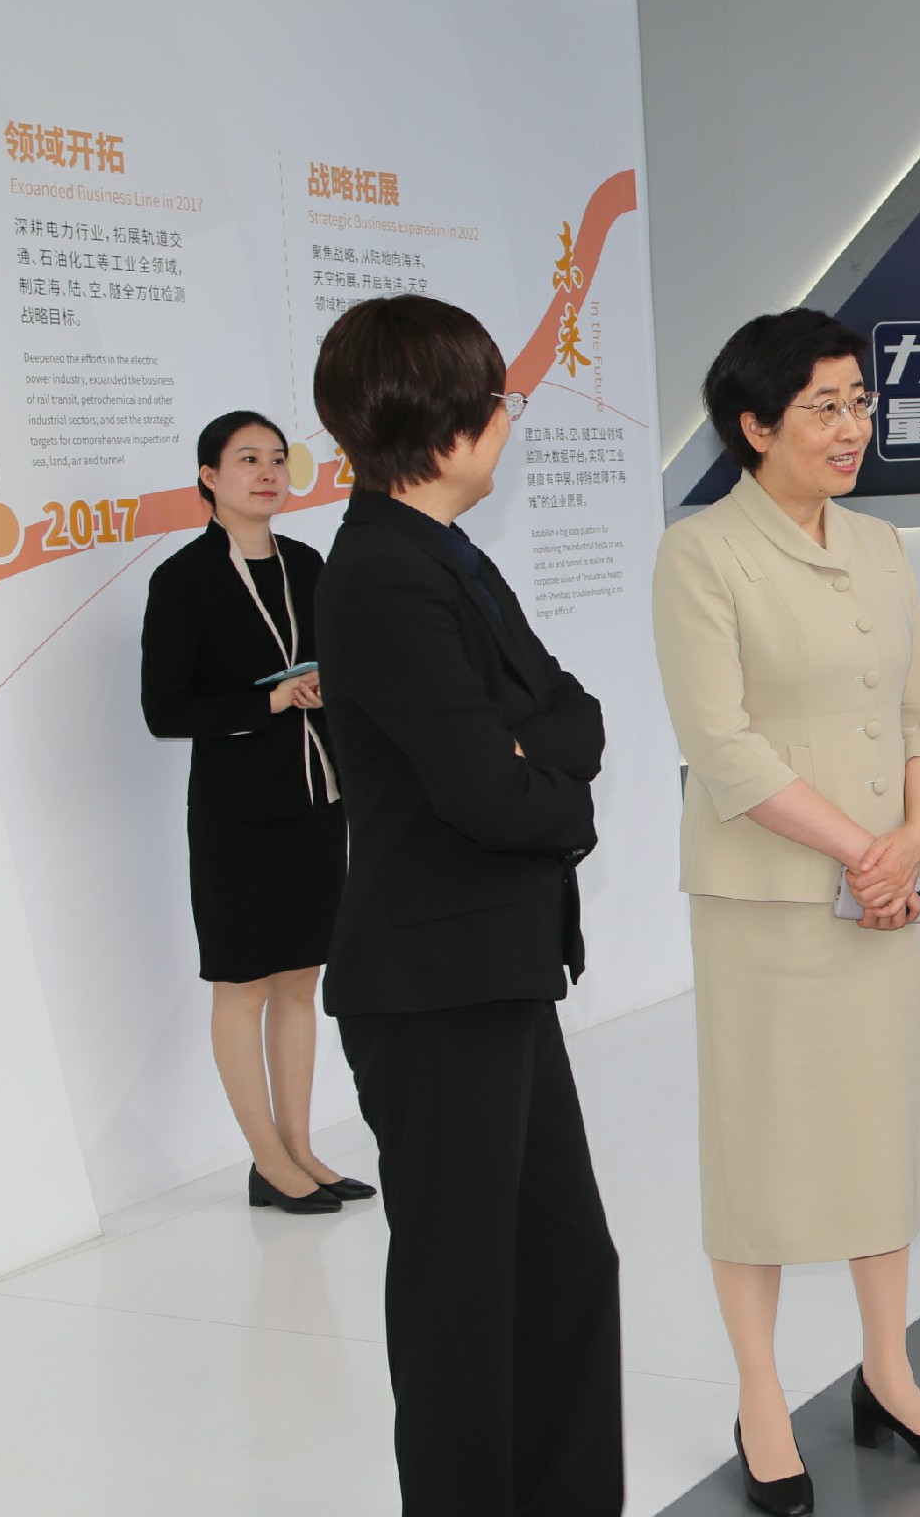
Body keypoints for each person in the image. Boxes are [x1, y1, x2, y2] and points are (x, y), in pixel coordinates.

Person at [653, 308, 920, 1517]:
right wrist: (862, 851)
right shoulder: (700, 555)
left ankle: (888, 1373)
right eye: (824, 408)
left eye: (859, 402)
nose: (853, 427)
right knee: (763, 1149)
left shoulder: (882, 543)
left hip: (880, 891)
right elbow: (722, 746)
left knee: (876, 1136)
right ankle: (760, 1396)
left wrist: (913, 835)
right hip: (769, 901)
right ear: (755, 426)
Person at [313, 295, 622, 1517]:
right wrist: (544, 778)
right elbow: (485, 794)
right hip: (433, 984)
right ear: (443, 423)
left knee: (561, 1265)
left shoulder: (447, 554)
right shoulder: (385, 574)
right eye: (497, 399)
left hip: (494, 970)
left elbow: (575, 713)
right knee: (462, 1299)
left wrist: (529, 757)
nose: (508, 417)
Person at [140, 410, 368, 1216]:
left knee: (301, 979)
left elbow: (347, 663)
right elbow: (166, 710)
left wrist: (332, 684)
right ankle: (266, 1160)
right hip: (236, 815)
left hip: (317, 799)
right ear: (208, 477)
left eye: (277, 458)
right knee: (242, 985)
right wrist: (268, 699)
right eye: (247, 459)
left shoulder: (308, 564)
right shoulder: (184, 580)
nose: (268, 472)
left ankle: (299, 1149)